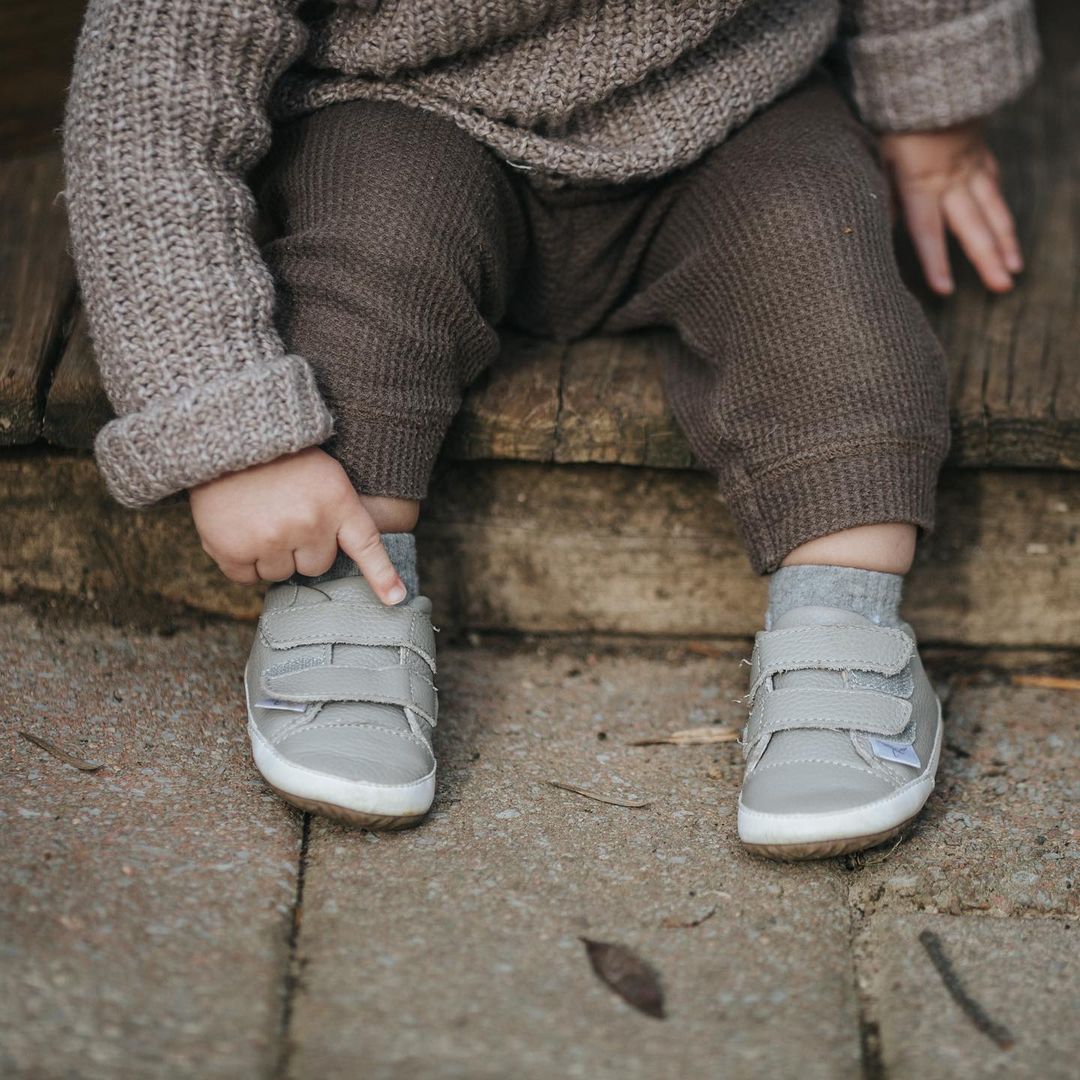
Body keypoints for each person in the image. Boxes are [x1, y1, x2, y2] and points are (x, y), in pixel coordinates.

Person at [64, 1, 1039, 857]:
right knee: (357, 292)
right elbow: (150, 99)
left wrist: (934, 100)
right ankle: (344, 589)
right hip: (404, 105)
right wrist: (229, 424)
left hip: (731, 102)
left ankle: (844, 611)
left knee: (834, 315)